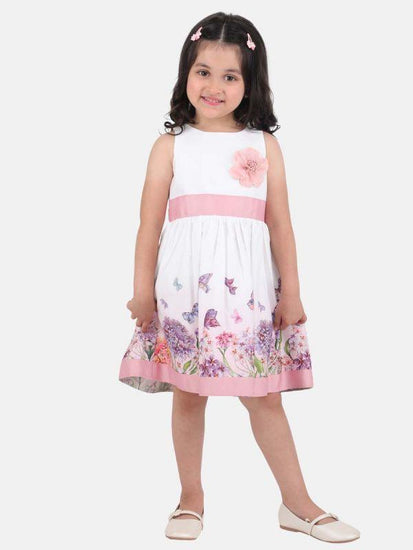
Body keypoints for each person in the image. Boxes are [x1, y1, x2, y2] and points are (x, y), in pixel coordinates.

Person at [118, 12, 360, 544]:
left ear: (250, 82)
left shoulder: (263, 145)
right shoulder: (171, 146)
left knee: (264, 397)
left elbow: (281, 225)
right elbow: (148, 226)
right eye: (203, 72)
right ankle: (190, 498)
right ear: (185, 73)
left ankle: (297, 503)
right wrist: (140, 291)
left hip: (248, 294)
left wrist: (292, 291)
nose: (215, 86)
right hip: (183, 293)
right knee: (188, 393)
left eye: (230, 76)